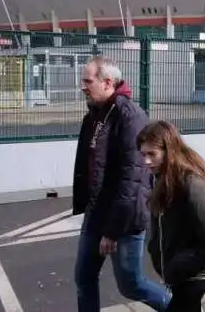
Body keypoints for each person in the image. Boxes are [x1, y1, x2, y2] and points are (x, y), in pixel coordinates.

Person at [71, 56, 169, 312]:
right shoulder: (95, 115)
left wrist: (112, 231)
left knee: (131, 284)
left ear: (107, 82)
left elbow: (132, 181)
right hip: (96, 213)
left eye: (87, 81)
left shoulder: (129, 117)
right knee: (83, 277)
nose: (83, 86)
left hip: (124, 220)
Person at [140, 121, 205, 312]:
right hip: (180, 274)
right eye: (143, 154)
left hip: (193, 276)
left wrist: (180, 265)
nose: (146, 161)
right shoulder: (164, 177)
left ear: (169, 150)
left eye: (151, 154)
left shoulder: (192, 184)